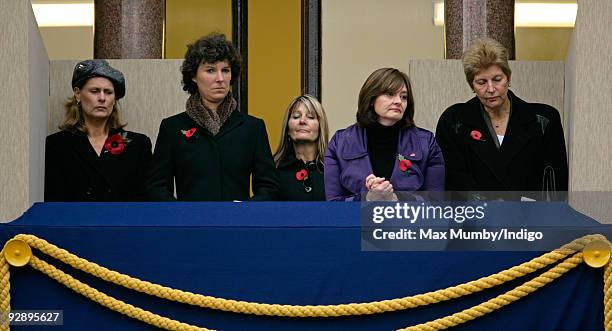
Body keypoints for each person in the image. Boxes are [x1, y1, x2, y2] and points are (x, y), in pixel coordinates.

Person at [147, 33, 279, 201]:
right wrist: (180, 215)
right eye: (210, 70)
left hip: (238, 223)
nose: (220, 79)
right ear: (194, 76)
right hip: (190, 224)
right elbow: (157, 187)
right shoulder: (172, 127)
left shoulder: (253, 127)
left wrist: (246, 212)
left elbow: (269, 187)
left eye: (225, 70)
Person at [435, 37, 568, 194]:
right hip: (476, 216)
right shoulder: (454, 122)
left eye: (497, 79)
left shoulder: (544, 120)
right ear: (471, 85)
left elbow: (557, 184)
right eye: (482, 82)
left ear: (508, 78)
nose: (491, 89)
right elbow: (453, 182)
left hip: (531, 215)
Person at [325, 68, 445, 201]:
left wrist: (395, 198)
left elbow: (435, 206)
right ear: (371, 98)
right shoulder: (340, 142)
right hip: (357, 221)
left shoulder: (426, 143)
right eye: (390, 94)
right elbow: (333, 208)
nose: (398, 101)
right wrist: (367, 199)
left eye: (404, 97)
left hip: (407, 221)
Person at [45, 60, 152, 201]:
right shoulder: (57, 144)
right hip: (75, 221)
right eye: (94, 91)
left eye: (108, 92)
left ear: (114, 100)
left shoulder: (138, 145)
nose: (102, 98)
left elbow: (145, 201)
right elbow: (53, 200)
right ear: (78, 94)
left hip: (123, 221)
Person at [273, 95, 329, 201]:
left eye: (311, 117)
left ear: (320, 127)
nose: (302, 121)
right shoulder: (273, 169)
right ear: (287, 129)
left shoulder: (334, 169)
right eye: (296, 116)